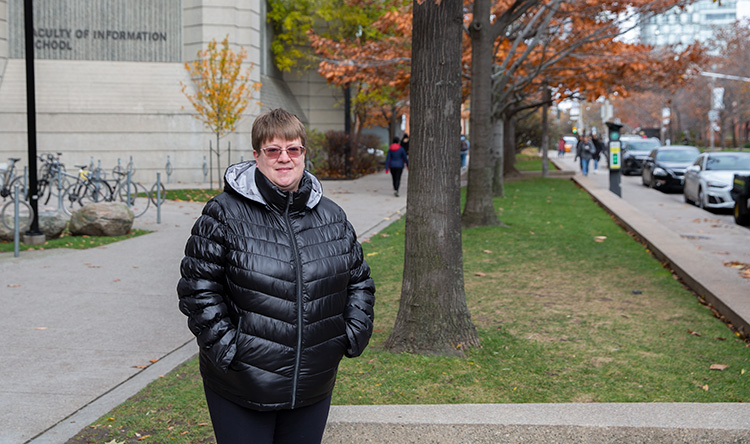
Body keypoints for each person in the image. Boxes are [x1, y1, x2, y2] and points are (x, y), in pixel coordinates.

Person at [177, 108, 376, 444]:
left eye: (293, 149)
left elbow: (359, 281)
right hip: (242, 385)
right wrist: (229, 349)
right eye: (273, 150)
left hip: (313, 381)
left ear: (303, 154)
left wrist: (351, 333)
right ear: (257, 155)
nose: (284, 158)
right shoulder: (223, 213)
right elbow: (198, 289)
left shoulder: (332, 217)